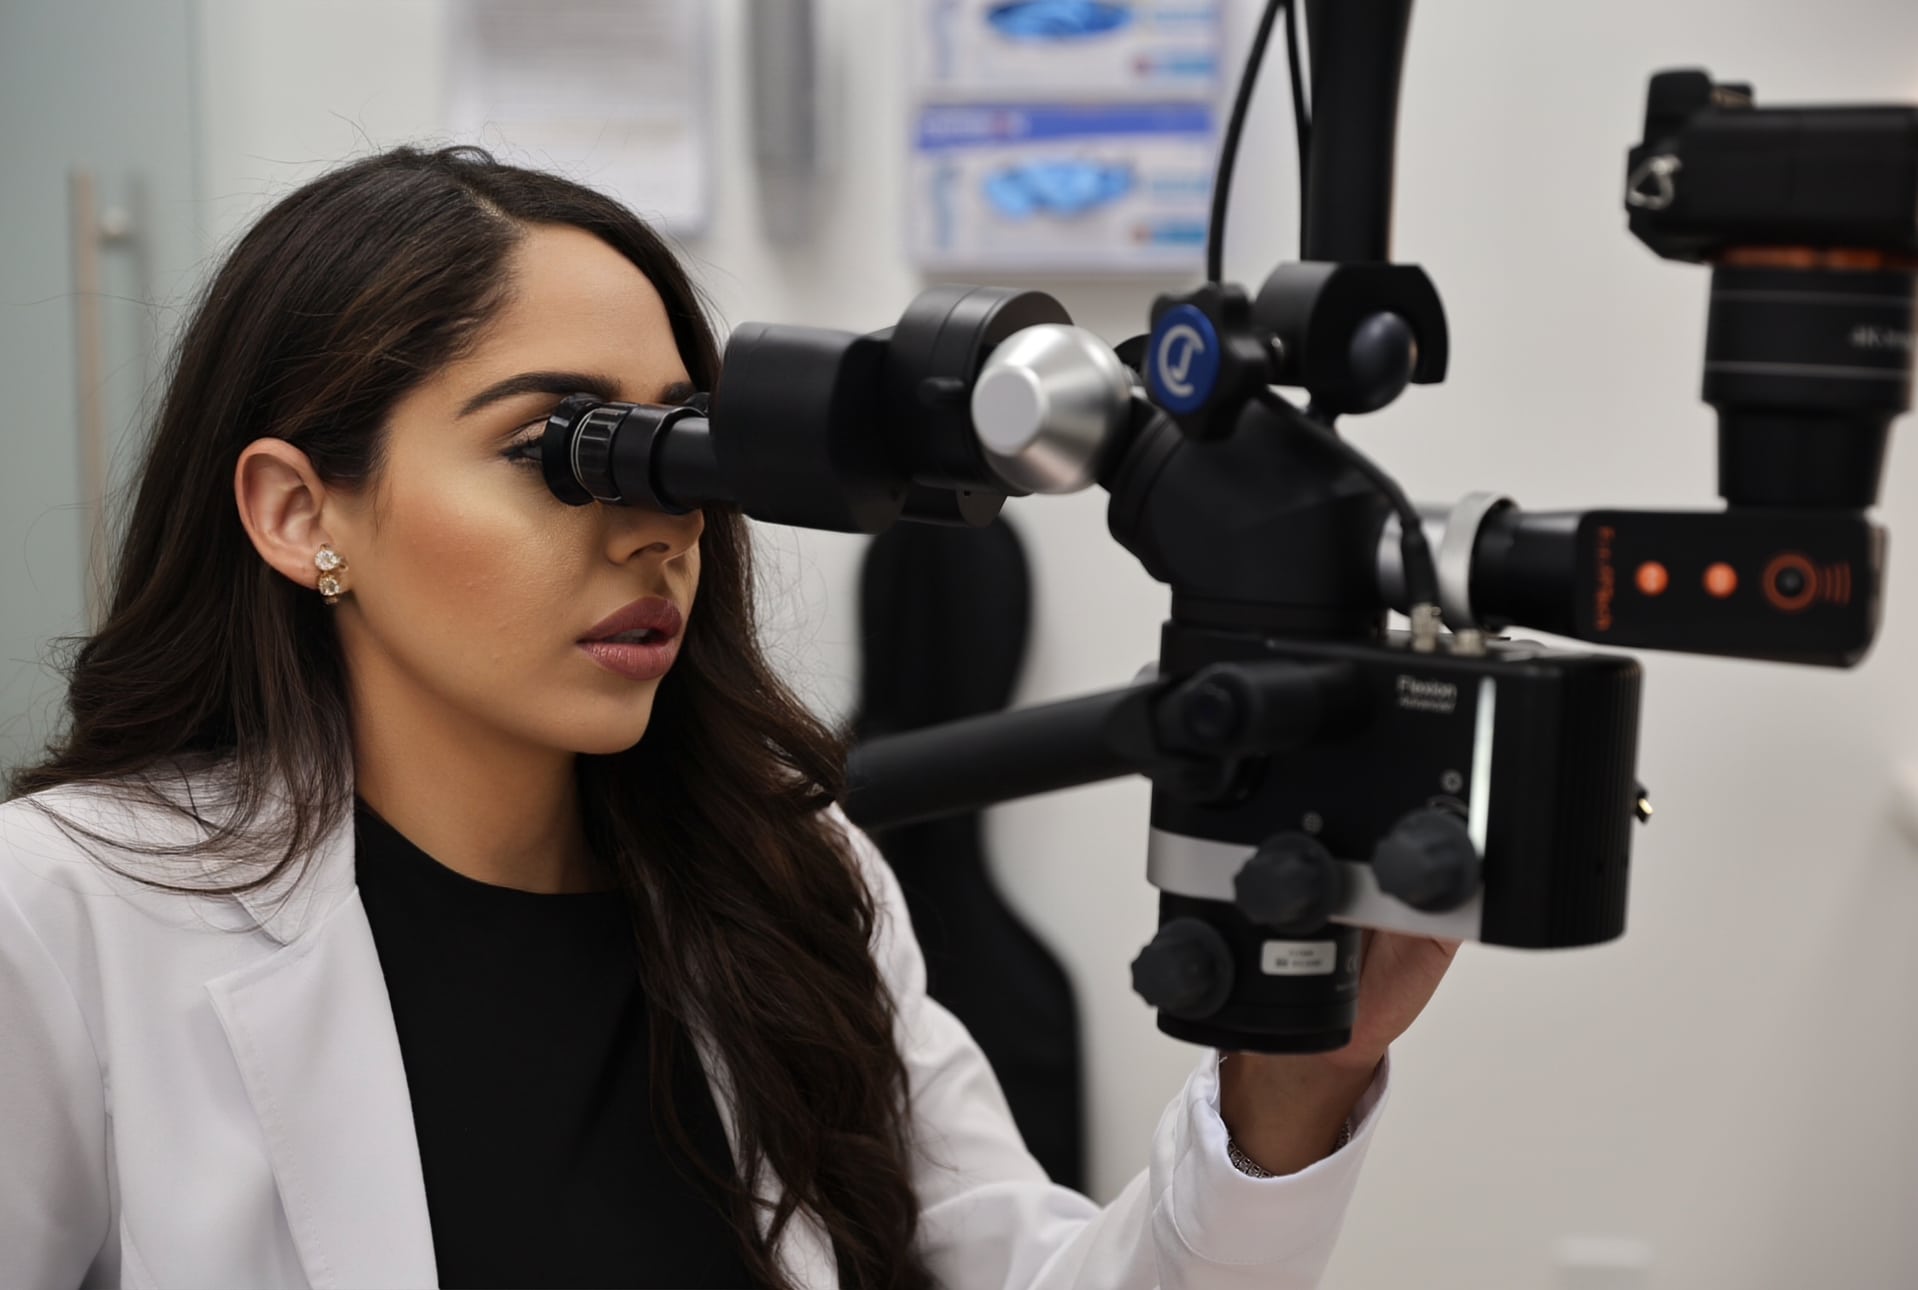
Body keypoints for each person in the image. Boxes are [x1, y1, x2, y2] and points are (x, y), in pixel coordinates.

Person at [0, 145, 1458, 1290]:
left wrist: (1291, 1088)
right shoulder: (66, 918)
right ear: (296, 511)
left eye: (680, 444)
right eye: (561, 447)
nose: (660, 524)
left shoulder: (785, 877)